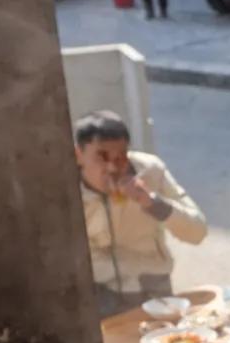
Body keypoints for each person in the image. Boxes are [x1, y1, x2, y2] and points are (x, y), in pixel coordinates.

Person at [75, 112, 207, 315]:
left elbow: (197, 232)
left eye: (120, 158)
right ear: (78, 155)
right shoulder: (65, 192)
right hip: (101, 290)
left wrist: (152, 202)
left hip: (153, 285)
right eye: (101, 157)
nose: (112, 167)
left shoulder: (151, 171)